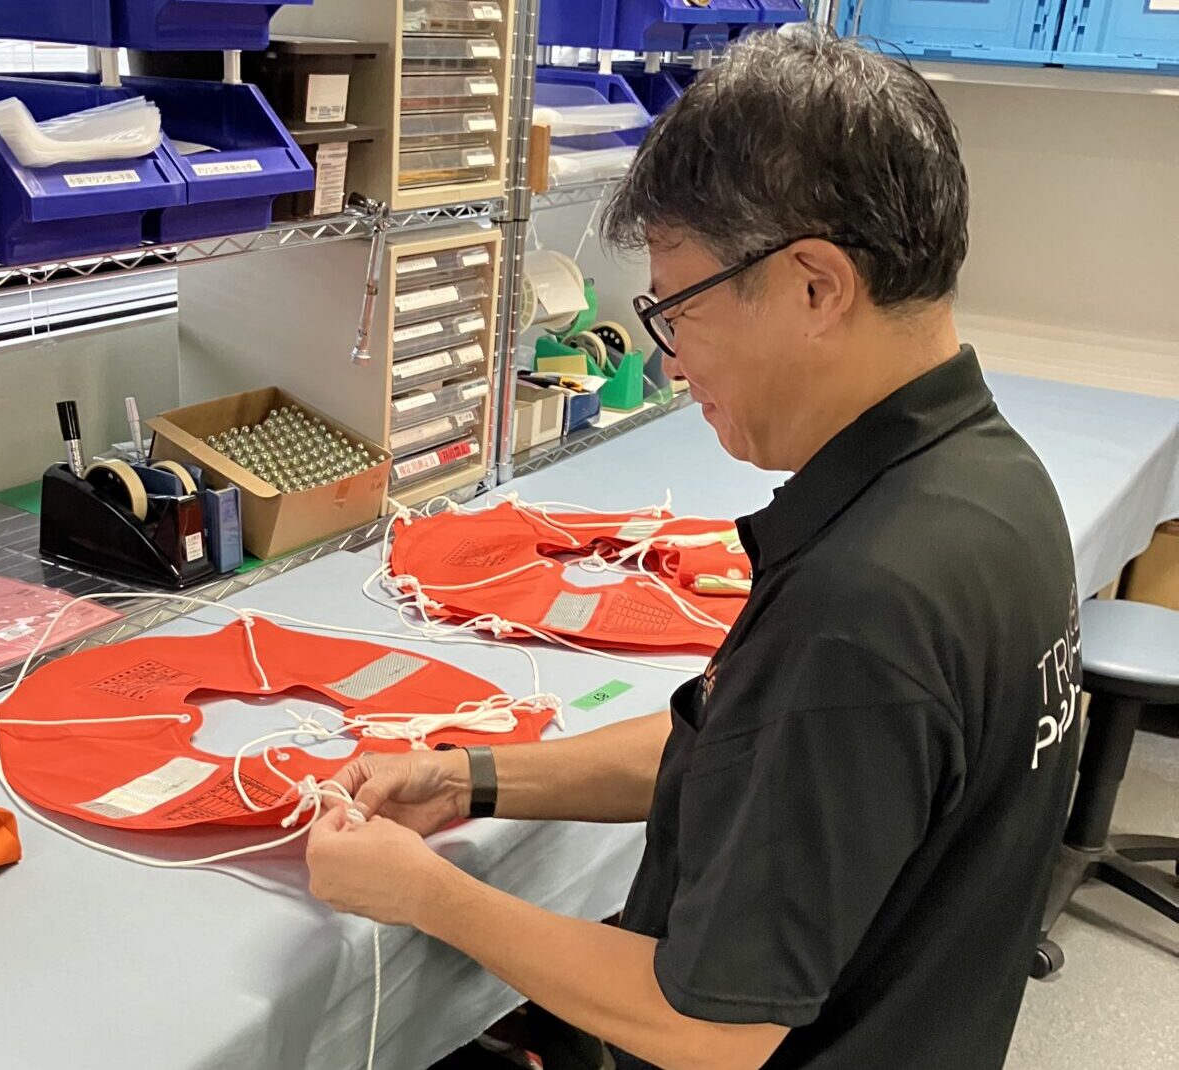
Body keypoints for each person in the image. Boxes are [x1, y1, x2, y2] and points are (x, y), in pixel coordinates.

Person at [306, 27, 1082, 1070]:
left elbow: (710, 1026)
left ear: (816, 286)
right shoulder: (992, 484)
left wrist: (428, 894)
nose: (671, 364)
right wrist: (469, 778)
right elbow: (762, 750)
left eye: (679, 308)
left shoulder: (864, 605)